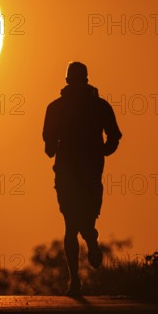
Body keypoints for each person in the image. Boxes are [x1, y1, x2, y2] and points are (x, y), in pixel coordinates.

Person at [42, 61, 122, 296]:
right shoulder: (99, 106)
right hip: (86, 172)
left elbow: (48, 145)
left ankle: (77, 277)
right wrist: (103, 151)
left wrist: (104, 150)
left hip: (73, 171)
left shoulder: (56, 107)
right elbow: (114, 138)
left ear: (67, 80)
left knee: (72, 225)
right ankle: (77, 276)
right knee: (75, 223)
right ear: (86, 79)